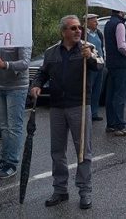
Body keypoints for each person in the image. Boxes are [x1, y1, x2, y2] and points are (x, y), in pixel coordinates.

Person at [30, 15, 98, 210]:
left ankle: (85, 191)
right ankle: (60, 190)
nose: (78, 31)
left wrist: (91, 57)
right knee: (57, 151)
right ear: (63, 32)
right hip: (57, 106)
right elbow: (43, 72)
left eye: (79, 28)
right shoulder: (52, 52)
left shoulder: (87, 48)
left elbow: (100, 66)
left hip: (79, 105)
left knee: (83, 151)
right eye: (73, 28)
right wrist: (36, 85)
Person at [0, 45, 31, 179]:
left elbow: (25, 63)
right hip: (0, 85)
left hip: (16, 88)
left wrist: (4, 64)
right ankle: (4, 159)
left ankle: (12, 163)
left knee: (14, 127)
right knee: (4, 127)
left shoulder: (22, 35)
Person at [104, 10, 126, 136]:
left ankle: (111, 124)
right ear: (121, 11)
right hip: (122, 64)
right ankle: (120, 125)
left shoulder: (108, 23)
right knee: (120, 95)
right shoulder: (119, 25)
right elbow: (122, 46)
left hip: (112, 64)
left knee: (111, 95)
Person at [84, 14, 106, 121]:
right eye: (94, 21)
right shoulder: (84, 34)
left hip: (99, 63)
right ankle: (87, 112)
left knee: (98, 89)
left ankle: (94, 112)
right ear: (87, 22)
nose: (96, 23)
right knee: (89, 89)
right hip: (90, 65)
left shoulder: (98, 33)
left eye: (96, 21)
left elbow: (101, 47)